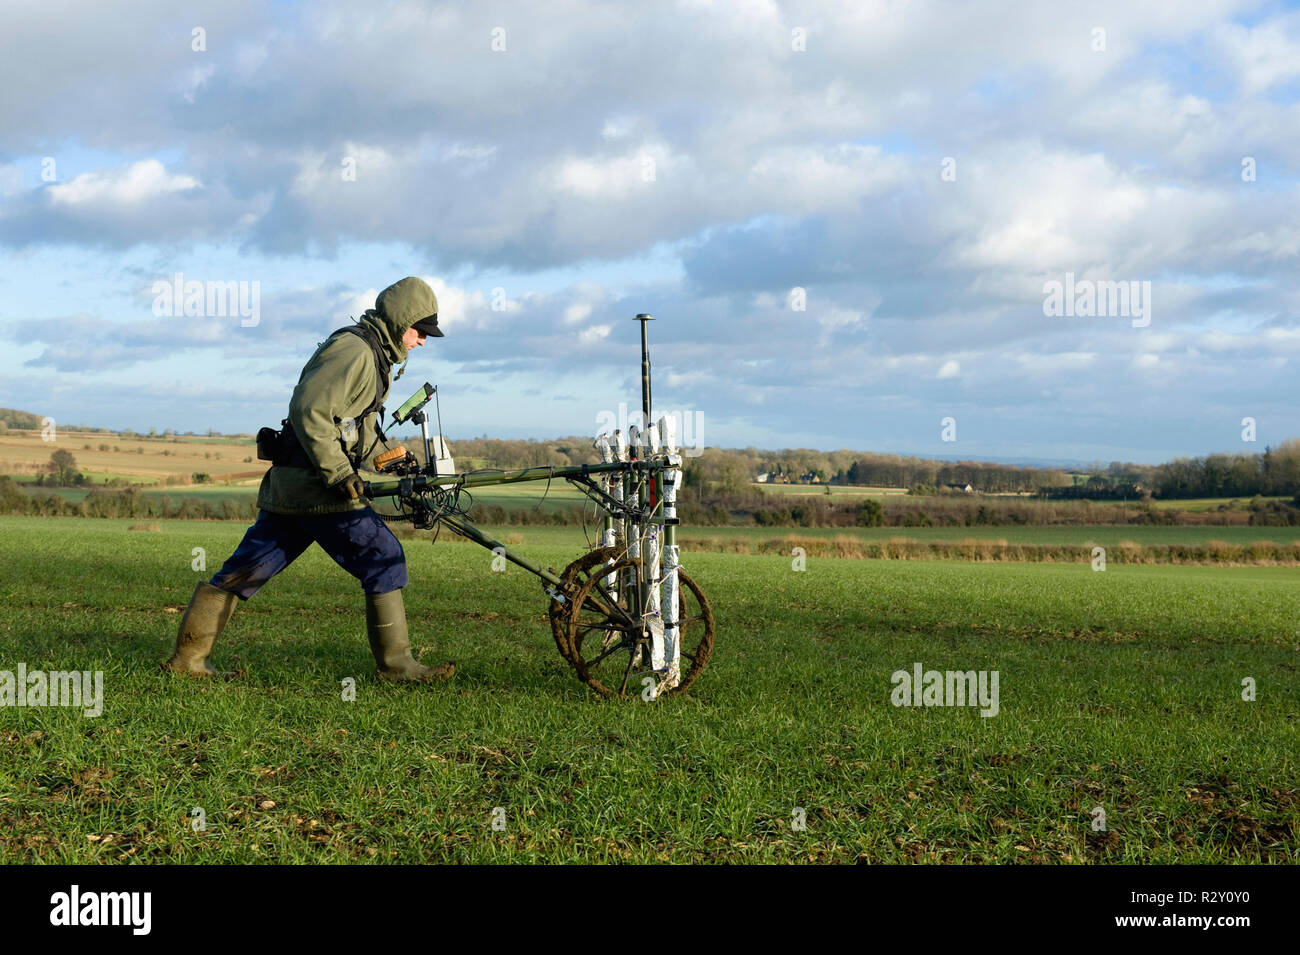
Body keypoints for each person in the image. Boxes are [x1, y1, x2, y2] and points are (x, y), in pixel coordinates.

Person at [163, 276, 455, 683]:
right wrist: (339, 472)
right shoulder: (354, 350)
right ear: (400, 320)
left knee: (245, 570)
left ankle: (187, 661)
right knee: (383, 557)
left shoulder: (374, 355)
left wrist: (386, 459)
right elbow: (309, 410)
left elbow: (356, 427)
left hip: (294, 487)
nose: (422, 341)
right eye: (419, 331)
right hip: (319, 488)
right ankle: (396, 666)